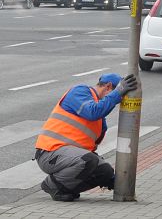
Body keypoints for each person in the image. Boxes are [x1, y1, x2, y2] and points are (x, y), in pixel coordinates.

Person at [34, 73, 139, 201]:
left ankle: (67, 188)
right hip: (50, 152)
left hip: (69, 156)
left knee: (104, 171)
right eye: (116, 93)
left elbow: (90, 143)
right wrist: (118, 93)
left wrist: (114, 181)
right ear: (108, 87)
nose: (117, 100)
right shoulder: (80, 91)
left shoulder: (100, 118)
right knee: (89, 161)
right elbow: (92, 111)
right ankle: (53, 185)